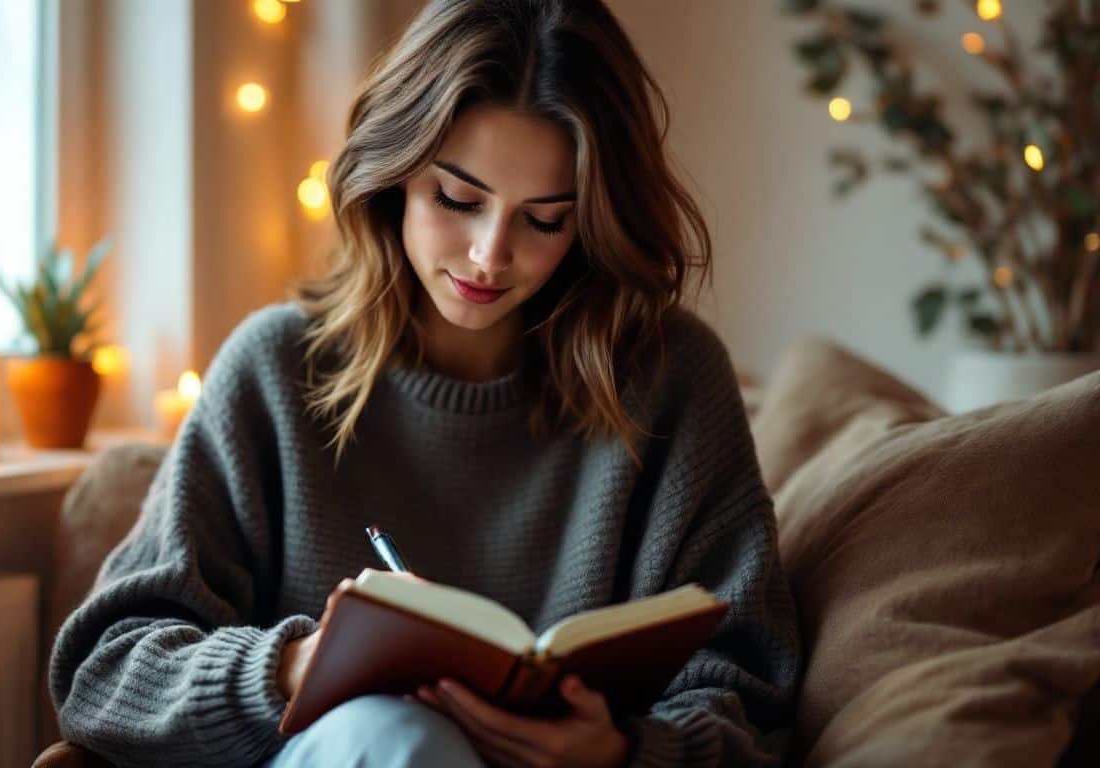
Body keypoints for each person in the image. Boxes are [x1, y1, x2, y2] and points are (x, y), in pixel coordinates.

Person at [48, 0, 801, 766]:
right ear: (394, 173)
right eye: (458, 200)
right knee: (392, 737)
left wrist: (622, 753)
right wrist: (295, 668)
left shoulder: (672, 381)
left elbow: (753, 699)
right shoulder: (276, 369)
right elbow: (103, 671)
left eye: (543, 221)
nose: (488, 256)